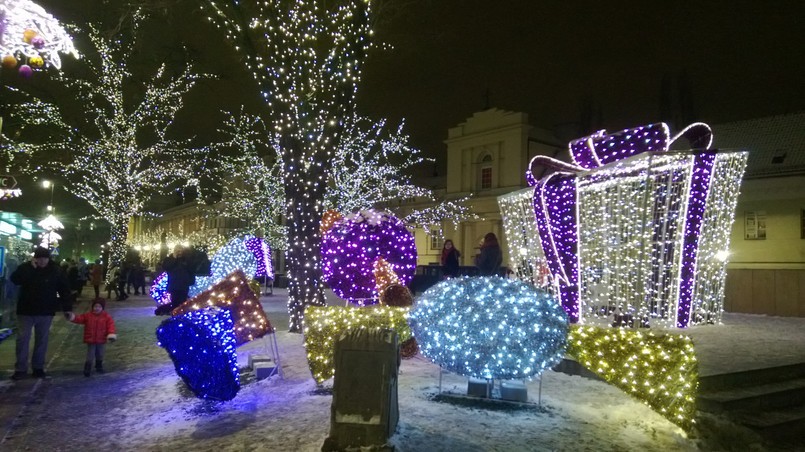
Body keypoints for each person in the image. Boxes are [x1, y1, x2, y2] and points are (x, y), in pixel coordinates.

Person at [10, 246, 73, 380]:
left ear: (49, 258)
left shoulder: (56, 270)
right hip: (26, 310)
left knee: (42, 340)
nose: (42, 261)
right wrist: (29, 268)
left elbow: (64, 290)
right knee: (22, 340)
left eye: (45, 258)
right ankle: (20, 368)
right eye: (39, 258)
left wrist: (67, 308)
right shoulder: (26, 268)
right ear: (35, 258)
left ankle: (38, 367)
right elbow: (15, 279)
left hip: (46, 310)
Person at [68, 298, 117, 376]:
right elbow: (79, 319)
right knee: (90, 355)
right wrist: (72, 317)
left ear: (102, 308)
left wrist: (111, 333)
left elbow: (111, 326)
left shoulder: (106, 317)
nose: (97, 308)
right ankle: (87, 369)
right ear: (93, 307)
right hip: (91, 340)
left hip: (101, 339)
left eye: (99, 307)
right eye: (95, 306)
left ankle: (99, 366)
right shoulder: (88, 315)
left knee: (100, 354)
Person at [156, 245, 195, 315]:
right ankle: (174, 313)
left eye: (181, 250)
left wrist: (190, 280)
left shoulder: (185, 259)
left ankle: (181, 313)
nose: (179, 252)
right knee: (175, 301)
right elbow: (167, 267)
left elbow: (191, 269)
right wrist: (174, 258)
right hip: (174, 284)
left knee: (183, 301)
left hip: (184, 284)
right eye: (178, 250)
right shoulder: (169, 259)